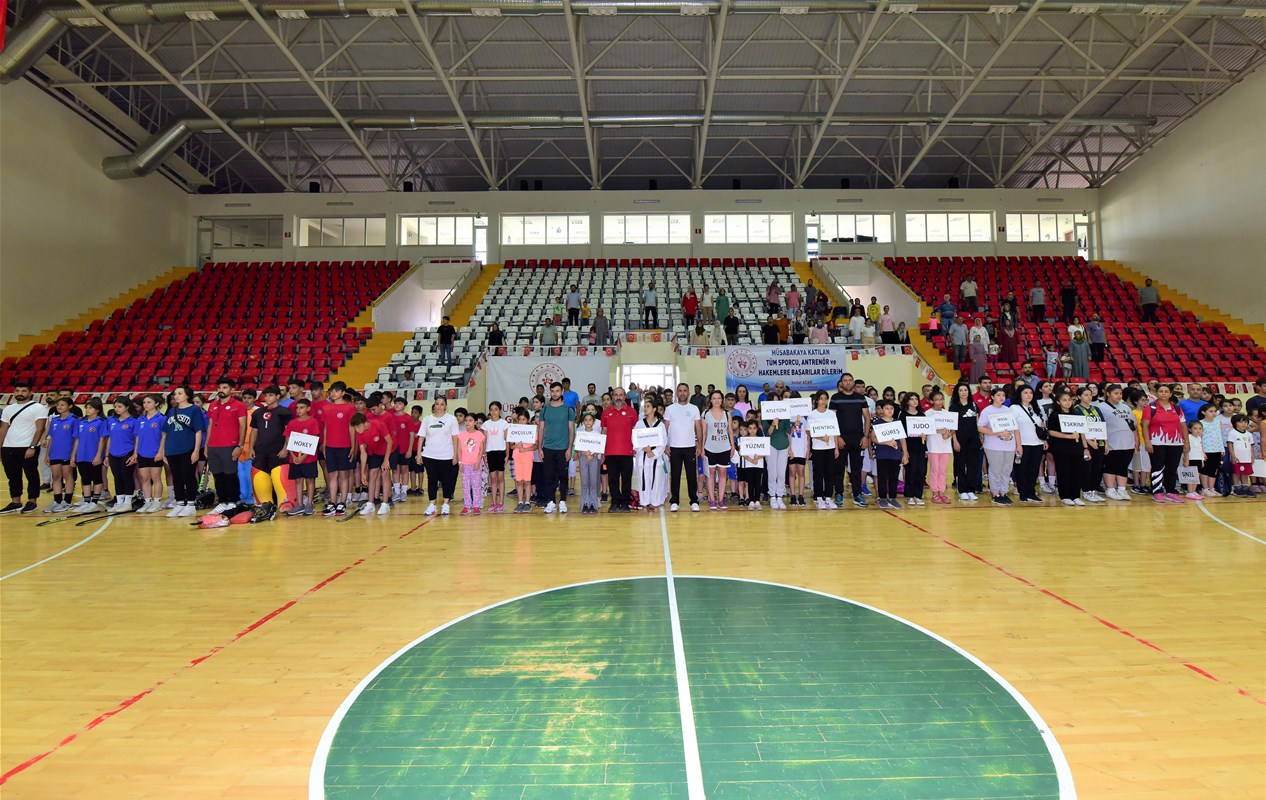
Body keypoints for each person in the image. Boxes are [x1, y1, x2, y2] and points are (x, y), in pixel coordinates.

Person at [0, 380, 48, 514]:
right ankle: (16, 502)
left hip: (27, 446)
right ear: (13, 392)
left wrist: (32, 447)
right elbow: (3, 428)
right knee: (13, 476)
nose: (20, 393)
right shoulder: (8, 409)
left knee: (31, 474)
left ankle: (32, 501)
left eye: (23, 391)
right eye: (17, 391)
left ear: (30, 392)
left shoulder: (38, 407)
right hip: (8, 447)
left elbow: (40, 429)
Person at [159, 386, 206, 518]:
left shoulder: (194, 410)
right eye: (175, 394)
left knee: (188, 476)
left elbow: (198, 431)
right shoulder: (171, 411)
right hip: (171, 449)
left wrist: (196, 450)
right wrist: (163, 451)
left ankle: (191, 504)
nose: (176, 396)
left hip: (187, 448)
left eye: (180, 393)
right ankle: (179, 503)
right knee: (176, 477)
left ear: (187, 395)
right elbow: (165, 433)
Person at [246, 386, 294, 511]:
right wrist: (251, 448)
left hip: (278, 452)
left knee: (280, 479)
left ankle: (285, 504)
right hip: (261, 452)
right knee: (260, 479)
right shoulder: (258, 413)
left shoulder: (285, 412)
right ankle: (264, 506)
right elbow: (254, 432)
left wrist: (285, 449)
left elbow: (289, 432)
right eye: (266, 395)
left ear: (278, 396)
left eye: (271, 395)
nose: (267, 398)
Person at [203, 378, 248, 509]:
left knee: (230, 474)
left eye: (224, 388)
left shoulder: (239, 405)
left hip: (229, 445)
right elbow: (210, 426)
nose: (221, 390)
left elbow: (243, 426)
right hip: (213, 446)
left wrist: (239, 446)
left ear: (232, 390)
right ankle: (222, 501)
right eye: (219, 388)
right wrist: (206, 445)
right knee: (218, 475)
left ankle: (234, 501)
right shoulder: (212, 405)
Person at [1141, 383, 1188, 503]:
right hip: (1157, 442)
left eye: (1166, 391)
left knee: (1172, 468)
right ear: (1157, 393)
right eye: (1161, 391)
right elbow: (1145, 426)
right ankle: (1157, 492)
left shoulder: (1177, 408)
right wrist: (1147, 442)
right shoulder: (1150, 408)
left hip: (1176, 443)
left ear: (1170, 394)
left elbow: (1183, 426)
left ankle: (1171, 491)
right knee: (1157, 467)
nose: (1163, 394)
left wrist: (1186, 442)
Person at [829, 373, 870, 507]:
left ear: (853, 382)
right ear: (841, 383)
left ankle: (857, 494)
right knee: (839, 467)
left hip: (858, 439)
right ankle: (839, 494)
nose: (848, 382)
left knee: (857, 468)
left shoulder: (860, 398)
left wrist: (865, 436)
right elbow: (831, 419)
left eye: (850, 380)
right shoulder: (835, 398)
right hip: (841, 439)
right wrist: (838, 437)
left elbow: (867, 417)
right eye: (845, 380)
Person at [536, 382, 576, 514]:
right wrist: (540, 448)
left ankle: (563, 501)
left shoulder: (568, 410)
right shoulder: (545, 410)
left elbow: (571, 430)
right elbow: (541, 429)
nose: (554, 393)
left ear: (562, 392)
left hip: (563, 448)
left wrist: (569, 448)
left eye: (557, 391)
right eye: (552, 391)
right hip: (548, 448)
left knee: (563, 476)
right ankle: (551, 501)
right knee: (549, 476)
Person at [416, 397, 460, 516]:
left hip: (446, 455)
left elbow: (455, 438)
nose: (439, 406)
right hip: (429, 455)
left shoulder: (451, 419)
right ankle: (432, 504)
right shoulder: (427, 419)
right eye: (437, 404)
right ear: (434, 405)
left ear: (445, 406)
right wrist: (419, 454)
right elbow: (421, 437)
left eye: (442, 404)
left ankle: (445, 504)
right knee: (432, 480)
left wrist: (455, 455)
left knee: (446, 480)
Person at [663, 383, 703, 512]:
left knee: (692, 475)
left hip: (690, 447)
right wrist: (665, 445)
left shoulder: (694, 408)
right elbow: (665, 428)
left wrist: (700, 445)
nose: (682, 393)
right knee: (675, 475)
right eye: (680, 390)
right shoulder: (670, 409)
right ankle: (674, 501)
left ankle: (694, 501)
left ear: (688, 392)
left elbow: (698, 428)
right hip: (674, 447)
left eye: (685, 390)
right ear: (676, 393)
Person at [1046, 390, 1089, 506]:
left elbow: (1082, 432)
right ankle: (1065, 496)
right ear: (1058, 402)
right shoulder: (1054, 415)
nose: (1067, 402)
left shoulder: (1076, 414)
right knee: (1063, 472)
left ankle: (1076, 496)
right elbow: (1051, 432)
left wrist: (1085, 447)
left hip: (1077, 448)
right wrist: (1068, 436)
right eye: (1064, 400)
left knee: (1077, 472)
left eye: (1069, 400)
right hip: (1061, 448)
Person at [279, 398, 320, 516]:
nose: (298, 410)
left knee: (310, 480)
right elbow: (288, 439)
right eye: (297, 408)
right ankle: (300, 505)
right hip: (295, 458)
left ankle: (309, 504)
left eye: (301, 408)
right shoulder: (292, 423)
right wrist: (293, 455)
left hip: (309, 458)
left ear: (308, 408)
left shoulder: (313, 422)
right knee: (298, 480)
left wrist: (304, 456)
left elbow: (314, 440)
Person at [977, 388, 1018, 505]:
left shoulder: (1008, 410)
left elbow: (1014, 427)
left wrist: (1015, 442)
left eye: (1003, 395)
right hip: (993, 446)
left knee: (1007, 470)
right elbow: (980, 427)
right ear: (992, 397)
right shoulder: (988, 411)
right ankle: (995, 493)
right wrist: (998, 433)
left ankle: (1004, 492)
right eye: (998, 395)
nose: (1001, 397)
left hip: (1009, 445)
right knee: (996, 469)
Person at [351, 410, 392, 516]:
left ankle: (385, 504)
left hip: (388, 450)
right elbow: (363, 453)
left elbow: (390, 442)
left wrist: (386, 460)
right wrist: (362, 473)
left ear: (365, 423)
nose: (357, 430)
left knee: (385, 473)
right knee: (372, 474)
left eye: (358, 427)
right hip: (374, 451)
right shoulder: (359, 432)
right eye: (355, 427)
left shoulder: (379, 424)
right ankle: (370, 504)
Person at [43, 398, 79, 513]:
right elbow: (51, 438)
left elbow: (76, 439)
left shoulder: (74, 419)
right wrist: (47, 454)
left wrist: (73, 455)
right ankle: (57, 501)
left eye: (63, 405)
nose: (59, 407)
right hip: (55, 453)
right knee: (56, 477)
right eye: (58, 404)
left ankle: (67, 502)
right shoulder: (55, 420)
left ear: (70, 406)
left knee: (68, 476)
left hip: (67, 453)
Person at [633, 398, 668, 510]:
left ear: (654, 409)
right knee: (643, 480)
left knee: (656, 480)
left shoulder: (660, 425)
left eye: (648, 406)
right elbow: (635, 439)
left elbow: (663, 442)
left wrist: (653, 452)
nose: (645, 408)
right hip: (642, 455)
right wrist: (645, 449)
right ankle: (644, 503)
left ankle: (655, 502)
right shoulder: (639, 424)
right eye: (645, 406)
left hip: (655, 457)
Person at [700, 391, 733, 510]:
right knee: (711, 474)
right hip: (710, 447)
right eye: (714, 398)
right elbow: (704, 432)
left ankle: (721, 500)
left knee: (723, 473)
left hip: (724, 447)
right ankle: (712, 500)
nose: (717, 400)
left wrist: (732, 446)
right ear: (710, 400)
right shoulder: (705, 414)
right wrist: (702, 448)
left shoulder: (727, 414)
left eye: (719, 398)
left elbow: (730, 430)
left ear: (722, 400)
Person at [949, 383, 982, 501]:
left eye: (965, 390)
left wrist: (981, 437)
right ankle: (962, 490)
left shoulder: (974, 405)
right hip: (960, 439)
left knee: (973, 465)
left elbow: (977, 422)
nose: (963, 392)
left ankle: (970, 489)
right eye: (961, 390)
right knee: (960, 465)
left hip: (973, 439)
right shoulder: (954, 406)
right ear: (957, 393)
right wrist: (955, 441)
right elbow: (952, 426)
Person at [807, 390, 840, 510]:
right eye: (821, 398)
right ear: (817, 400)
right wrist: (821, 438)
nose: (823, 401)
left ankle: (828, 498)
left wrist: (836, 447)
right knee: (818, 473)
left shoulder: (831, 414)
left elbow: (835, 432)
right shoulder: (812, 414)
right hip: (818, 448)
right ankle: (819, 498)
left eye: (825, 398)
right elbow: (810, 432)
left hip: (830, 447)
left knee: (829, 473)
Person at [924, 390, 956, 504]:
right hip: (933, 446)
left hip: (945, 446)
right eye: (936, 400)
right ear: (931, 401)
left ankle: (942, 492)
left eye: (941, 399)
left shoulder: (947, 413)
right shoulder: (928, 413)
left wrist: (949, 434)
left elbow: (953, 428)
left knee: (942, 470)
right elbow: (925, 429)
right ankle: (935, 493)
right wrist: (938, 431)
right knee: (935, 470)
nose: (939, 402)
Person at [898, 394, 926, 506]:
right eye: (911, 399)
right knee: (911, 471)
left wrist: (925, 435)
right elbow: (902, 434)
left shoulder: (922, 415)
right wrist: (904, 451)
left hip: (920, 447)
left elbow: (926, 429)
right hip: (909, 447)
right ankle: (910, 495)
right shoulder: (903, 415)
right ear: (907, 401)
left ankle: (918, 495)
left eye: (916, 399)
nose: (914, 401)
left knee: (921, 471)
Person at [455, 413, 486, 515]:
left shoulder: (479, 435)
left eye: (470, 420)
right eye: (466, 420)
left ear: (475, 423)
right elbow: (459, 450)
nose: (467, 422)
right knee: (466, 486)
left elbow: (481, 450)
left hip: (475, 464)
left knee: (476, 486)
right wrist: (460, 462)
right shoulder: (461, 435)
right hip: (465, 464)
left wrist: (478, 462)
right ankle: (467, 505)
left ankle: (476, 506)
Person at [763, 400, 791, 510]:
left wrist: (790, 448)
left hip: (784, 445)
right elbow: (767, 433)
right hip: (771, 445)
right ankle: (772, 496)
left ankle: (780, 496)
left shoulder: (785, 414)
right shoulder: (766, 415)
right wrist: (773, 424)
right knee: (772, 473)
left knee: (781, 473)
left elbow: (788, 432)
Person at [1226, 414, 1256, 497]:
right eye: (1240, 422)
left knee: (1245, 473)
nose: (1243, 424)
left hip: (1247, 458)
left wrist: (1252, 457)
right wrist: (1233, 456)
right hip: (1237, 458)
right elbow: (1230, 445)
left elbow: (1251, 446)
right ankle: (1236, 488)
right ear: (1234, 423)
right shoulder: (1232, 433)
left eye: (1245, 422)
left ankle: (1245, 488)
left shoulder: (1249, 434)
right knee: (1236, 472)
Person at [967, 319, 990, 384]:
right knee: (975, 370)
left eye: (979, 321)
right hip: (976, 358)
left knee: (982, 369)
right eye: (976, 321)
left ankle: (982, 381)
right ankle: (974, 381)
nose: (977, 322)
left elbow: (987, 336)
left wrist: (985, 358)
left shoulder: (983, 329)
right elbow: (971, 352)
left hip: (982, 358)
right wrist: (973, 358)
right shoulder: (973, 328)